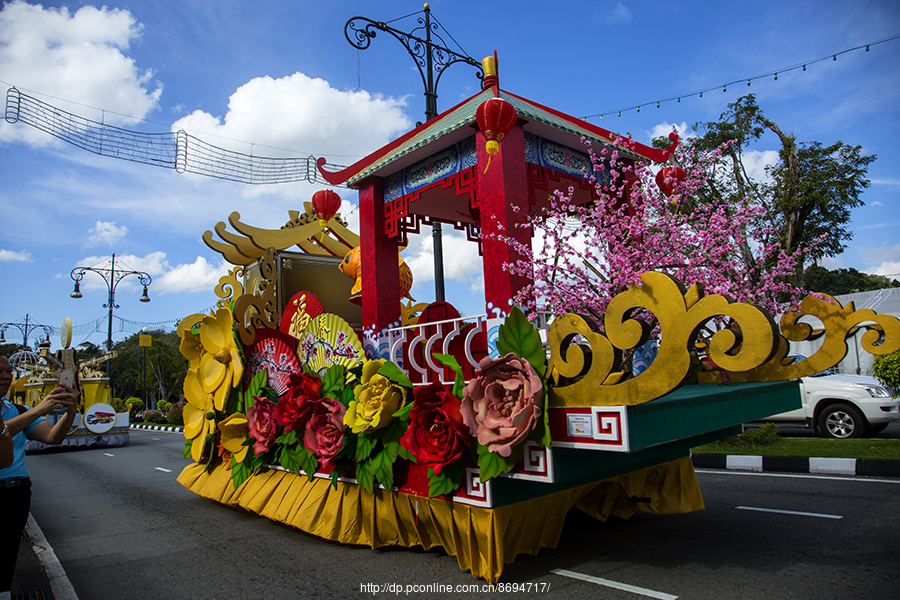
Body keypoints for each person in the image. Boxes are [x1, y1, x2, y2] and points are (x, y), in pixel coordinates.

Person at [0, 355, 79, 596]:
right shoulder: (27, 412)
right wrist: (38, 410)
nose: (5, 376)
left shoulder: (16, 410)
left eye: (8, 371)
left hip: (16, 491)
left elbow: (53, 437)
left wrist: (70, 413)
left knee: (7, 554)